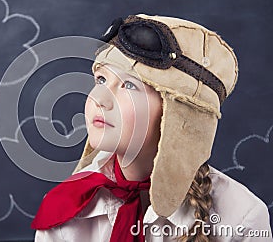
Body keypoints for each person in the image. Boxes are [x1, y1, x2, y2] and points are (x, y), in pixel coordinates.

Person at [31, 13, 273, 241]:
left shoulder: (242, 216)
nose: (100, 99)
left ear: (180, 116)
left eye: (129, 86)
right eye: (101, 79)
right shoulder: (65, 207)